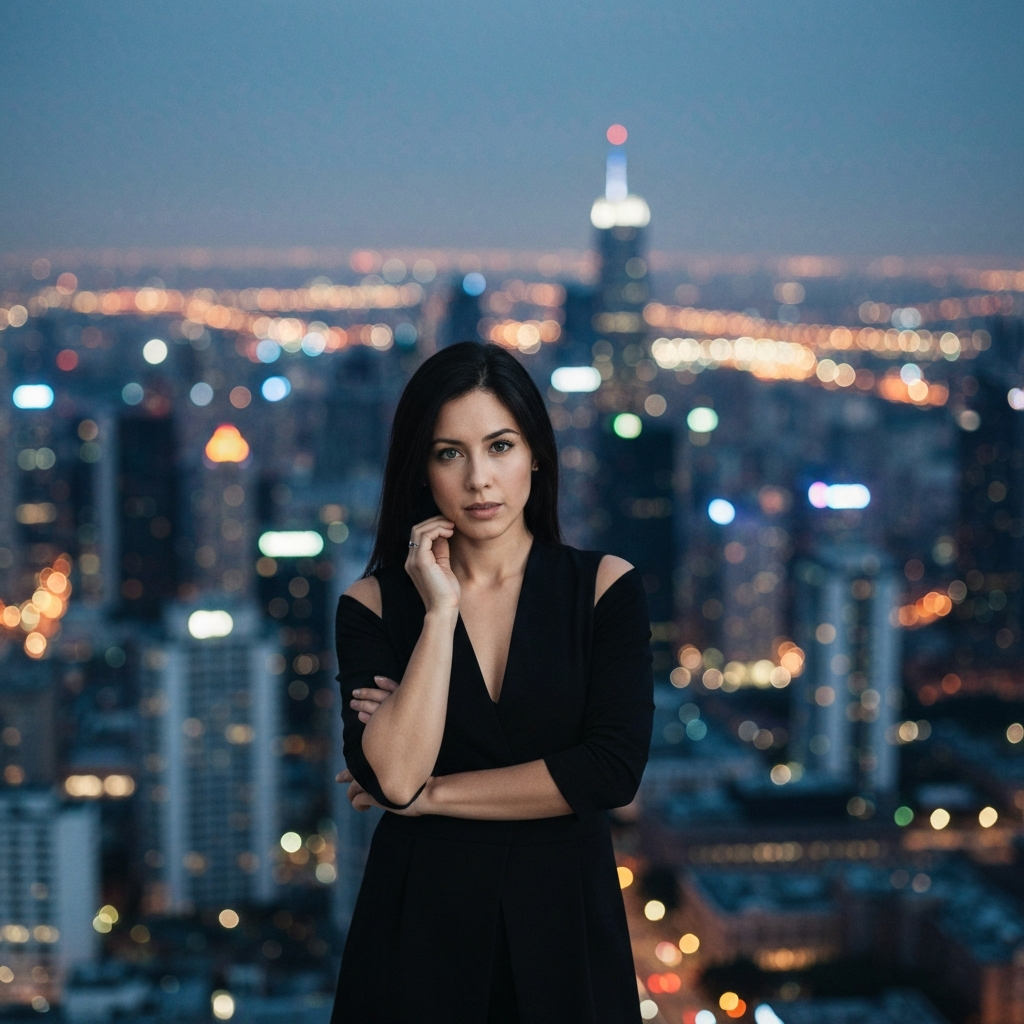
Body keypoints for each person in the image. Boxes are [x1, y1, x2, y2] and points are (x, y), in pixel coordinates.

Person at [330, 342, 654, 1024]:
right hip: (420, 929)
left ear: (535, 453)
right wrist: (439, 612)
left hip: (568, 927)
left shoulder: (605, 589)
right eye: (450, 453)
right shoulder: (374, 606)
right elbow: (393, 778)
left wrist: (436, 794)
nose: (479, 478)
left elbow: (610, 770)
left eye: (500, 446)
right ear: (421, 471)